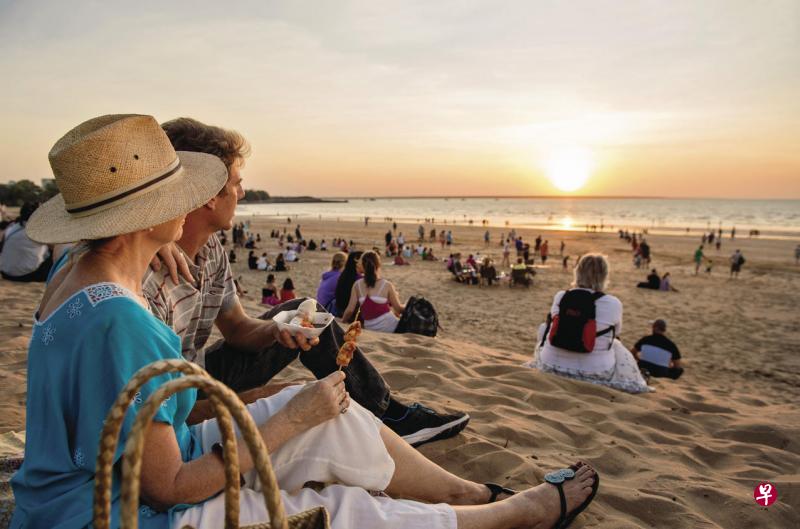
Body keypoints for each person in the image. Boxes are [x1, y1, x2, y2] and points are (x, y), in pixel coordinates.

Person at [145, 119, 467, 446]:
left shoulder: (211, 249)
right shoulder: (148, 271)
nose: (241, 193)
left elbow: (238, 328)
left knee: (306, 313)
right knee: (288, 391)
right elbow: (154, 410)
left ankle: (389, 414)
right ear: (210, 194)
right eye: (237, 183)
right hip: (170, 402)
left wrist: (277, 330)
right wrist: (264, 400)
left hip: (198, 375)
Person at [528, 253, 650, 394]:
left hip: (549, 365)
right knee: (617, 344)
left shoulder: (561, 296)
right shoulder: (613, 303)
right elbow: (616, 333)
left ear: (577, 272)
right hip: (595, 372)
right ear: (604, 276)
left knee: (544, 328)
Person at [342, 251, 404, 333]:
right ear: (378, 266)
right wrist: (408, 305)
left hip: (370, 327)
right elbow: (398, 309)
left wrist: (343, 322)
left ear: (363, 265)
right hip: (392, 327)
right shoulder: (386, 285)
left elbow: (350, 310)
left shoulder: (357, 285)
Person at [0, 202, 52, 282]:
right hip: (25, 275)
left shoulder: (12, 226)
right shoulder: (36, 231)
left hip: (5, 273)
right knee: (58, 251)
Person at [333, 250, 364, 317]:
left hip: (338, 310)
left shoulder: (344, 274)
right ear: (358, 263)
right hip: (348, 314)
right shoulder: (359, 279)